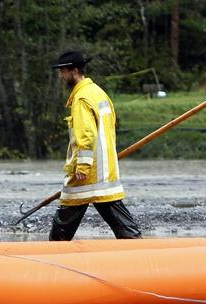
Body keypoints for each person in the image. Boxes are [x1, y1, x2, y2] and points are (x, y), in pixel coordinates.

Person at [50, 51, 141, 241]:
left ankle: (51, 256)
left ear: (74, 71)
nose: (61, 76)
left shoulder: (82, 98)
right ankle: (137, 248)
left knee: (64, 222)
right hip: (104, 170)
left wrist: (82, 165)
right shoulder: (98, 92)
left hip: (88, 172)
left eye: (63, 72)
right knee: (115, 214)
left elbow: (86, 134)